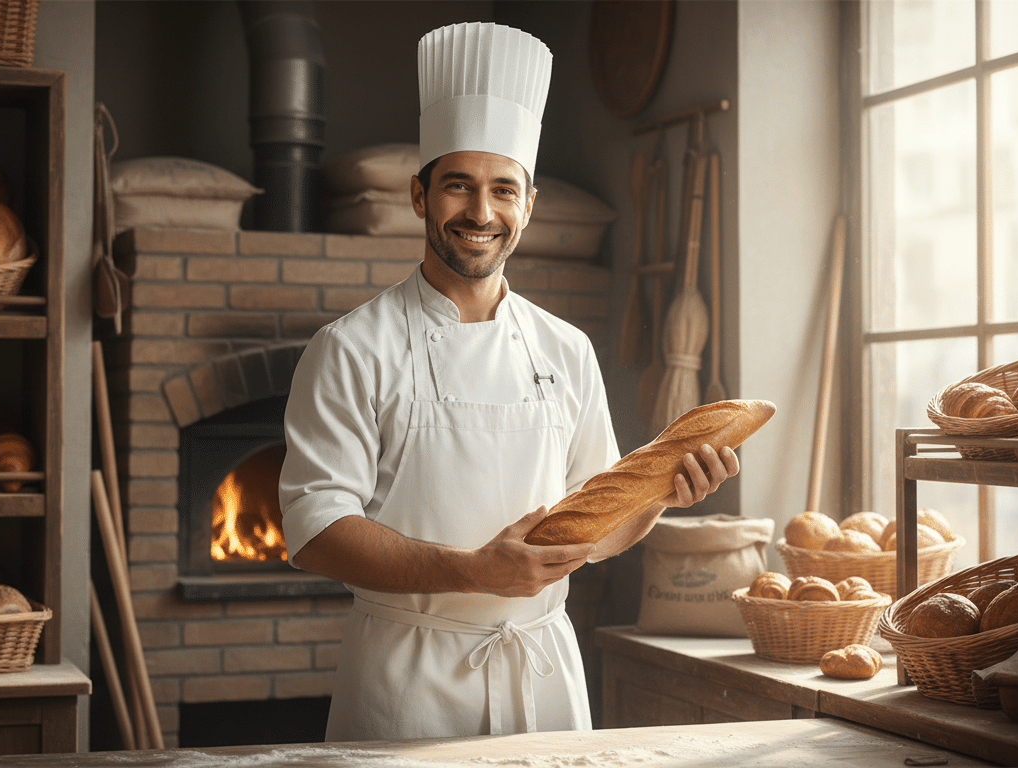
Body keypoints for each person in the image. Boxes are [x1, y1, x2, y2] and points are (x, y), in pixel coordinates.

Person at [278, 21, 739, 742]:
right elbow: (315, 530)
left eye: (503, 190)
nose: (481, 213)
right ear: (419, 194)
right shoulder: (350, 348)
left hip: (543, 676)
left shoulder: (567, 347)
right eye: (458, 186)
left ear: (529, 205)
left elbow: (599, 525)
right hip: (407, 685)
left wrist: (661, 495)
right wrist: (472, 571)